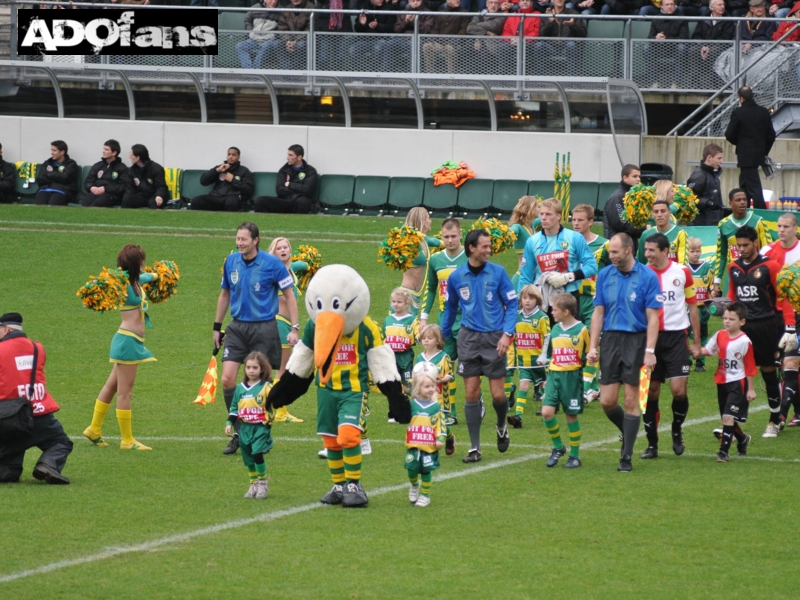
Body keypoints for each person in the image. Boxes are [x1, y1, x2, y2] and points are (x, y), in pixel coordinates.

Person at [214, 222, 299, 455]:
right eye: (237, 238)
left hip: (264, 328)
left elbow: (290, 297)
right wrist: (217, 327)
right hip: (237, 329)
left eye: (243, 239)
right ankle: (239, 433)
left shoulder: (272, 264)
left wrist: (294, 327)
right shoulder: (231, 261)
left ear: (255, 240)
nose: (239, 243)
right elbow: (224, 295)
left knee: (262, 386)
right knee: (227, 379)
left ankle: (262, 432)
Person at [587, 233, 661, 473]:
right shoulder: (605, 275)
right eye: (610, 252)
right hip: (610, 340)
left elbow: (653, 318)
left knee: (631, 401)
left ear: (629, 251)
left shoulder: (648, 277)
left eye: (615, 252)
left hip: (637, 342)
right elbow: (598, 313)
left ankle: (626, 457)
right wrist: (593, 346)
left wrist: (650, 351)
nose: (611, 256)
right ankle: (627, 432)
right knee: (607, 402)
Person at [442, 229, 518, 464]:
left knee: (497, 395)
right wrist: (442, 336)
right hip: (468, 338)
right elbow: (451, 308)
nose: (489, 250)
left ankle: (501, 424)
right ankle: (475, 447)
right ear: (471, 248)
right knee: (472, 392)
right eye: (484, 246)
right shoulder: (456, 277)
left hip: (495, 339)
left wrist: (507, 334)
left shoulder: (498, 272)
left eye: (489, 246)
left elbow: (512, 304)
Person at [83, 245, 161, 451]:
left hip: (128, 341)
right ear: (136, 264)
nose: (144, 263)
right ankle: (127, 440)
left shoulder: (135, 282)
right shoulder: (123, 285)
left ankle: (93, 429)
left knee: (112, 386)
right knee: (125, 392)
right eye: (142, 261)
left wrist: (160, 275)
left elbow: (147, 278)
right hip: (128, 342)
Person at [725, 225, 795, 438]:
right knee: (737, 372)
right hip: (742, 327)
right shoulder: (733, 267)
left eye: (746, 245)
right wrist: (726, 311)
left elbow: (782, 297)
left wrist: (790, 326)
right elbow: (732, 294)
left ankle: (775, 419)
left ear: (755, 243)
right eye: (739, 246)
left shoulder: (770, 266)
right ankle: (732, 419)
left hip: (767, 326)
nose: (742, 249)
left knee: (767, 372)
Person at [640, 233, 700, 460]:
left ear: (665, 251)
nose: (647, 254)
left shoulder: (682, 272)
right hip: (650, 340)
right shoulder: (642, 273)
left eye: (652, 250)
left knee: (679, 391)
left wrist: (695, 342)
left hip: (676, 339)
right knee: (651, 393)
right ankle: (652, 444)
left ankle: (676, 428)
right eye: (645, 250)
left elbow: (693, 307)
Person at [0, 312, 72, 484]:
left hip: (8, 418)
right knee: (60, 442)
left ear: (7, 329)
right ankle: (48, 464)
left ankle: (8, 470)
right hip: (39, 414)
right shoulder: (37, 348)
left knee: (9, 456)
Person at [517, 197, 597, 318]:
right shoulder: (532, 241)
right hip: (541, 297)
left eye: (548, 214)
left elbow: (592, 266)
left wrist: (568, 277)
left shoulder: (575, 238)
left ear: (559, 216)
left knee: (567, 335)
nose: (543, 218)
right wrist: (521, 301)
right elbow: (525, 275)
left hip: (568, 298)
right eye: (541, 214)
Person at [697, 302, 755, 462]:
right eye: (725, 318)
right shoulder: (720, 335)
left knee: (728, 417)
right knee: (726, 418)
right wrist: (695, 351)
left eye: (731, 319)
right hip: (721, 382)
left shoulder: (744, 342)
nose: (727, 321)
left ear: (742, 322)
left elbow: (750, 367)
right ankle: (742, 439)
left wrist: (751, 389)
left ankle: (723, 452)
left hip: (738, 383)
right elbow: (708, 350)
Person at [420, 217, 465, 422]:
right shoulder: (436, 260)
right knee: (447, 366)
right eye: (446, 237)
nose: (450, 240)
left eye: (453, 236)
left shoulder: (470, 257)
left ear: (460, 234)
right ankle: (451, 413)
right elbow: (430, 289)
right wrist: (423, 318)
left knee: (469, 367)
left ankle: (476, 400)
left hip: (467, 320)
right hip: (444, 319)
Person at [760, 212, 800, 426]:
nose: (782, 230)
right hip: (775, 315)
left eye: (786, 226)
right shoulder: (767, 251)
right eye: (779, 226)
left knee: (791, 362)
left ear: (796, 229)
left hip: (798, 314)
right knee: (783, 364)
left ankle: (780, 416)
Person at [541, 293, 589, 469]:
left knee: (571, 415)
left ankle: (575, 456)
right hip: (554, 375)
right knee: (547, 412)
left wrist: (590, 381)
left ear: (566, 311)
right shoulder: (554, 329)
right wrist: (547, 376)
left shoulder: (582, 330)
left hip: (572, 377)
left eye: (554, 309)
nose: (551, 312)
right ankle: (558, 447)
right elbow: (553, 355)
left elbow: (590, 355)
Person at [267, 236, 307, 424]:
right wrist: (294, 328)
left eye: (286, 247)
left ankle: (270, 408)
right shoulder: (276, 271)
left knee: (277, 369)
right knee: (282, 371)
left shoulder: (290, 270)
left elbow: (302, 265)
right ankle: (280, 412)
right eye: (278, 248)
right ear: (272, 252)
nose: (283, 250)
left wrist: (306, 264)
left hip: (281, 324)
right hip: (280, 324)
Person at [571, 204, 607, 402]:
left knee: (592, 342)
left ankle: (586, 388)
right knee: (576, 341)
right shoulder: (567, 242)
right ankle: (592, 387)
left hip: (594, 301)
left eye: (581, 220)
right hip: (573, 298)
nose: (576, 223)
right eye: (574, 219)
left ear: (591, 222)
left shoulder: (604, 245)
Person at [226, 351, 275, 499]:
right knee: (248, 457)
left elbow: (276, 402)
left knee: (256, 452)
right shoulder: (240, 388)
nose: (251, 370)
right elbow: (234, 408)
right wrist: (229, 423)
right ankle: (253, 483)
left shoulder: (266, 387)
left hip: (261, 426)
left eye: (255, 367)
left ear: (262, 369)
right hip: (245, 428)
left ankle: (263, 482)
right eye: (248, 367)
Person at [712, 188, 771, 298]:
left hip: (754, 274)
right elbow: (721, 254)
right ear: (730, 203)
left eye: (744, 199)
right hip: (733, 274)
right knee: (731, 312)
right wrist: (716, 282)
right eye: (738, 200)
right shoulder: (723, 224)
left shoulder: (758, 221)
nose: (742, 202)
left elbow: (767, 251)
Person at [725, 86, 776, 210]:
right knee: (744, 183)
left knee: (754, 187)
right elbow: (771, 135)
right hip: (758, 154)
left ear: (741, 98)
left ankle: (762, 213)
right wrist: (763, 150)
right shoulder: (764, 112)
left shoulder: (738, 112)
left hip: (745, 155)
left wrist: (741, 144)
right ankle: (744, 209)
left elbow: (729, 134)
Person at [507, 284, 550, 428]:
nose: (527, 301)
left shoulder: (542, 317)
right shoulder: (517, 316)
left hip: (538, 361)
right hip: (524, 361)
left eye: (531, 298)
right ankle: (518, 416)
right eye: (525, 298)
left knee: (544, 385)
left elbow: (548, 337)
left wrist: (544, 356)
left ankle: (547, 414)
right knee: (523, 386)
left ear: (537, 300)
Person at [404, 365, 447, 508]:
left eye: (432, 386)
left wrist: (440, 438)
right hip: (413, 445)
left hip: (429, 447)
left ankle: (425, 495)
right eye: (426, 386)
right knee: (411, 471)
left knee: (426, 471)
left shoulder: (435, 407)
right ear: (418, 389)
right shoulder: (411, 406)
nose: (430, 389)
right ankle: (414, 485)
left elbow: (440, 424)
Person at [395, 207, 444, 317]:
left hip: (416, 295)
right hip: (406, 296)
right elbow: (400, 236)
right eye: (428, 217)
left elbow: (439, 243)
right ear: (422, 221)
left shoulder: (423, 240)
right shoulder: (408, 240)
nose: (430, 220)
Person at [415, 324, 455, 455]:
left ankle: (447, 438)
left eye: (430, 338)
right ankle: (439, 441)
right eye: (424, 338)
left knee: (442, 423)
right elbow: (415, 375)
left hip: (440, 398)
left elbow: (450, 375)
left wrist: (441, 380)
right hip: (424, 398)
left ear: (438, 341)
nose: (426, 340)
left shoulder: (444, 357)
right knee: (428, 422)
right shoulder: (419, 358)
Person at [253, 145, 318, 214]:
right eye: (288, 155)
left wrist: (290, 185)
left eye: (291, 155)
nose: (287, 158)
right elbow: (279, 190)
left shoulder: (310, 171)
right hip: (284, 200)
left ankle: (297, 223)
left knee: (303, 202)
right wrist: (298, 189)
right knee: (259, 201)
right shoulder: (284, 170)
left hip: (299, 201)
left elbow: (307, 190)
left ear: (299, 157)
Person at [384, 287, 420, 408]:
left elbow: (419, 335)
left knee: (408, 387)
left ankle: (421, 402)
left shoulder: (412, 320)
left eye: (399, 302)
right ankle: (395, 412)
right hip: (391, 358)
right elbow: (383, 338)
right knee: (393, 386)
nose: (396, 304)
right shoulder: (387, 320)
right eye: (393, 301)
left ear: (406, 303)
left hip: (405, 357)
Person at [189, 147, 254, 212]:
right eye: (229, 154)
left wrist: (233, 180)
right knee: (196, 201)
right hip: (215, 197)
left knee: (231, 202)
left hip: (231, 198)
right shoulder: (220, 167)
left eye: (233, 155)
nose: (230, 157)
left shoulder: (244, 171)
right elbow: (203, 181)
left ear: (238, 157)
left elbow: (248, 190)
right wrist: (216, 171)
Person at [642, 0, 689, 88]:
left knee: (682, 48)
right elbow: (650, 37)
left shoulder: (682, 18)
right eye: (667, 4)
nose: (670, 6)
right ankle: (653, 83)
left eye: (672, 4)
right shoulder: (656, 18)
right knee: (647, 47)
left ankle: (676, 83)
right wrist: (656, 38)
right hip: (660, 48)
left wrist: (666, 39)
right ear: (661, 6)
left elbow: (684, 38)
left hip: (675, 49)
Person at [536, 0, 586, 77]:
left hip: (566, 47)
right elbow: (541, 35)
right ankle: (539, 79)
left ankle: (571, 79)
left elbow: (583, 34)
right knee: (539, 45)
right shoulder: (546, 14)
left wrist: (573, 25)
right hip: (551, 48)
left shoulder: (573, 13)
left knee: (571, 45)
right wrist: (549, 22)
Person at [686, 237, 713, 372]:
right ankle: (686, 359)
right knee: (684, 334)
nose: (696, 253)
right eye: (692, 251)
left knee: (702, 334)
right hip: (687, 307)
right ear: (687, 252)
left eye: (698, 251)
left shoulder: (707, 267)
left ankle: (700, 362)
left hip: (703, 307)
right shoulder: (684, 267)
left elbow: (711, 285)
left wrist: (714, 292)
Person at [603, 164, 645, 250]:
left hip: (628, 247)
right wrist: (644, 229)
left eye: (639, 176)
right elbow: (623, 225)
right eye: (635, 176)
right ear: (625, 178)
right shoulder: (617, 197)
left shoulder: (633, 196)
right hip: (618, 248)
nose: (638, 179)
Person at [422, 0, 471, 73]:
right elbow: (435, 29)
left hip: (456, 44)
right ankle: (430, 76)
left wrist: (453, 41)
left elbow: (463, 31)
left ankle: (450, 78)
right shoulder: (441, 13)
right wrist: (437, 40)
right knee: (427, 46)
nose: (458, 0)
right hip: (440, 42)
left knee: (449, 48)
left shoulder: (465, 13)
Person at [385, 0, 434, 72]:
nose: (415, 2)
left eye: (418, 0)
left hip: (419, 40)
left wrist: (415, 21)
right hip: (403, 39)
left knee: (412, 45)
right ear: (409, 2)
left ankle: (411, 76)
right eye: (413, 1)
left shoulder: (428, 13)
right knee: (390, 44)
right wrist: (406, 21)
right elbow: (396, 29)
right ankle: (385, 74)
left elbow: (426, 30)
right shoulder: (403, 12)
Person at [636, 200, 688, 265]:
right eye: (656, 212)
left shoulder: (680, 232)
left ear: (669, 213)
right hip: (652, 274)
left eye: (663, 211)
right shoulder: (646, 234)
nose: (659, 215)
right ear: (652, 215)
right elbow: (640, 262)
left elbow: (683, 264)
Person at [692, 0, 735, 75]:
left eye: (723, 5)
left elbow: (725, 37)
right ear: (712, 7)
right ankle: (695, 80)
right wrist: (703, 45)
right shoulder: (703, 18)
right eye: (719, 5)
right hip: (704, 45)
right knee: (693, 50)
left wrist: (709, 46)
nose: (722, 7)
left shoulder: (728, 20)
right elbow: (696, 35)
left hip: (720, 46)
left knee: (713, 52)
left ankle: (710, 82)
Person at [236, 0, 282, 69]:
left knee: (265, 46)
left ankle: (256, 71)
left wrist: (271, 36)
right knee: (240, 46)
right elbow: (247, 21)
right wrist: (251, 33)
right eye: (271, 0)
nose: (274, 2)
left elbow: (281, 28)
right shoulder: (255, 7)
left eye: (276, 0)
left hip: (269, 40)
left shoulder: (282, 11)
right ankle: (250, 71)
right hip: (254, 38)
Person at [508, 195, 541, 290]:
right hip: (522, 277)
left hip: (535, 278)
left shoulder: (533, 225)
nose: (539, 209)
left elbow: (548, 217)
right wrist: (509, 234)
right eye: (537, 207)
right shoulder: (518, 227)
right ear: (529, 209)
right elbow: (512, 231)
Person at [82, 139, 129, 208]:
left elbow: (122, 187)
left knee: (96, 205)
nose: (103, 151)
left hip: (111, 195)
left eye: (106, 150)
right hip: (95, 193)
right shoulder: (97, 165)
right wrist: (91, 187)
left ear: (114, 153)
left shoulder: (122, 168)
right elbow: (88, 181)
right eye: (104, 149)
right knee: (85, 203)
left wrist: (106, 189)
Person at [349, 0, 395, 70]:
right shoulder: (363, 8)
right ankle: (367, 71)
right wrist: (362, 24)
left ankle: (374, 72)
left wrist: (378, 25)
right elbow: (357, 29)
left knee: (378, 47)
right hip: (366, 40)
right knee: (353, 49)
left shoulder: (389, 8)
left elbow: (391, 28)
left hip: (382, 39)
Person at [121, 144, 168, 210]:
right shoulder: (132, 170)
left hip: (154, 195)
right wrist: (127, 197)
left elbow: (161, 186)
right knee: (127, 200)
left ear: (138, 158)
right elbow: (130, 188)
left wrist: (159, 195)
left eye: (131, 155)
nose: (129, 157)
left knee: (153, 203)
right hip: (142, 196)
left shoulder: (156, 168)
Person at [687, 143, 724, 226]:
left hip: (712, 221)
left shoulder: (713, 175)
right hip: (701, 224)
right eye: (719, 158)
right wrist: (709, 203)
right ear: (709, 158)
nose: (722, 161)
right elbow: (690, 199)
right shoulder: (699, 175)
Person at [498, 0, 541, 73]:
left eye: (527, 1)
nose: (525, 2)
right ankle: (503, 78)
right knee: (503, 47)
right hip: (512, 43)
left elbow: (536, 32)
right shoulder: (513, 14)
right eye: (522, 0)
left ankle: (525, 75)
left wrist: (521, 40)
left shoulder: (537, 14)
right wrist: (511, 39)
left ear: (531, 3)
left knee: (524, 48)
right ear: (519, 3)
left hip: (528, 44)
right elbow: (506, 31)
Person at [34, 140, 78, 206]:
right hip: (44, 190)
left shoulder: (71, 164)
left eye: (54, 150)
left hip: (61, 191)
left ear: (62, 152)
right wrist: (57, 177)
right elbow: (40, 179)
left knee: (52, 208)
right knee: (38, 208)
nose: (51, 153)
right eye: (51, 150)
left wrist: (49, 174)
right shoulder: (47, 163)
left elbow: (65, 177)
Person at [276, 0, 313, 70]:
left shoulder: (311, 7)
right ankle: (288, 71)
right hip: (289, 39)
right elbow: (282, 27)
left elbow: (310, 28)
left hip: (304, 39)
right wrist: (288, 41)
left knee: (301, 45)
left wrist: (296, 41)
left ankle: (296, 71)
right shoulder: (286, 9)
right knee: (277, 44)